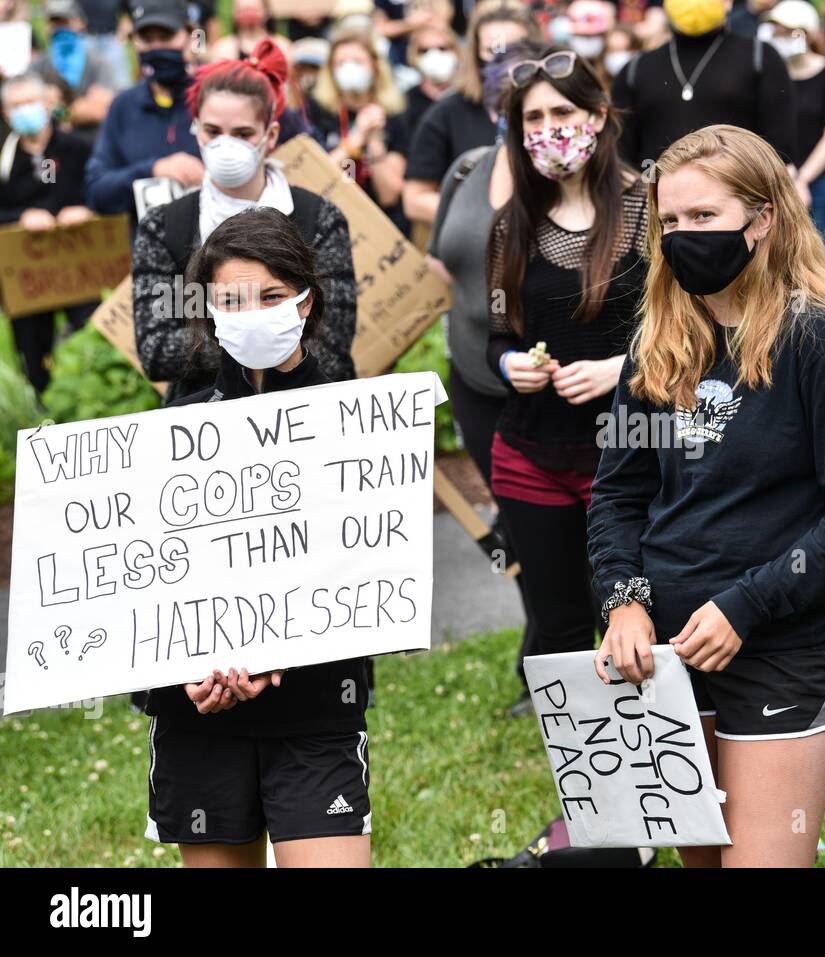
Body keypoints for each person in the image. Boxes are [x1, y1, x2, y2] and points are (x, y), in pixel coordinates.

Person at [587, 124, 825, 868]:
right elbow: (617, 495)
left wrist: (745, 605)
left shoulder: (822, 340)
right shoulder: (658, 340)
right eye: (670, 222)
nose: (683, 235)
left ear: (762, 221)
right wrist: (623, 600)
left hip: (780, 647)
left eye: (704, 218)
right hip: (664, 653)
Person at [144, 207, 371, 868]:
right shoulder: (169, 433)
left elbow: (374, 576)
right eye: (232, 300)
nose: (254, 313)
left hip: (315, 710)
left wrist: (287, 645)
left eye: (271, 296)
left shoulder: (360, 427)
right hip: (199, 711)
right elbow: (148, 580)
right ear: (208, 310)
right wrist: (184, 666)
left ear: (306, 300)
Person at [486, 47, 648, 660]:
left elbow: (687, 333)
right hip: (532, 455)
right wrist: (512, 367)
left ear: (599, 115)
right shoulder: (512, 225)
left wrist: (619, 370)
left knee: (638, 615)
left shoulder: (649, 208)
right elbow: (497, 337)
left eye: (562, 111)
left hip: (634, 452)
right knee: (556, 623)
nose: (548, 127)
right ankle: (577, 752)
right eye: (532, 118)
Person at [132, 39, 358, 402]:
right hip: (203, 425)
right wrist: (264, 330)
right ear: (196, 131)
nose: (226, 145)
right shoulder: (165, 227)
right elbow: (157, 352)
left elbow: (332, 343)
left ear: (270, 135)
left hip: (312, 410)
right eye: (212, 131)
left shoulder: (319, 219)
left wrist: (220, 327)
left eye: (242, 134)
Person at [426, 41, 545, 716]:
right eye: (501, 82)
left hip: (553, 384)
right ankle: (544, 654)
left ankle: (561, 657)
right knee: (515, 528)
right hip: (475, 376)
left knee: (564, 525)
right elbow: (441, 257)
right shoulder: (466, 168)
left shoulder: (569, 175)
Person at [0, 71, 96, 394]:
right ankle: (42, 404)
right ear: (5, 112)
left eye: (30, 102)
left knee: (90, 330)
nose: (24, 110)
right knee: (31, 343)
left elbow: (101, 191)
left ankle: (94, 396)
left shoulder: (77, 148)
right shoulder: (5, 158)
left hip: (78, 263)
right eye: (16, 105)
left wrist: (85, 208)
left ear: (47, 103)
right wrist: (20, 216)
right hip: (28, 272)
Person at [403, 0, 539, 228]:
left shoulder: (555, 110)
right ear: (475, 53)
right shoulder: (447, 112)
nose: (503, 59)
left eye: (515, 49)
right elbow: (415, 200)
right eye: (492, 49)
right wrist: (486, 218)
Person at [612, 0, 796, 168]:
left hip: (738, 191)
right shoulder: (636, 69)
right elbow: (622, 154)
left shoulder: (761, 57)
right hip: (655, 193)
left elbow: (779, 144)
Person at [84, 0, 203, 221]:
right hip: (150, 249)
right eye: (147, 39)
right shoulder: (123, 106)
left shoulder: (215, 95)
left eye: (166, 36)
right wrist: (152, 170)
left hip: (217, 248)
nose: (157, 47)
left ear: (190, 36)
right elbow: (96, 191)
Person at [307, 28, 410, 233]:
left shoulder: (395, 115)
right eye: (341, 63)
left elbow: (389, 195)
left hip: (382, 226)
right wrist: (356, 138)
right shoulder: (318, 110)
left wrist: (373, 141)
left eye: (357, 61)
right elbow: (315, 180)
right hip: (332, 224)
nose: (349, 68)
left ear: (374, 66)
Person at [761, 0, 825, 241]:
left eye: (787, 31)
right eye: (777, 30)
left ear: (807, 34)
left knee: (820, 247)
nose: (780, 37)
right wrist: (786, 176)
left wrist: (802, 179)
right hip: (775, 176)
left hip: (819, 179)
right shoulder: (769, 75)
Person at [32, 0, 116, 143]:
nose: (59, 28)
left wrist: (59, 110)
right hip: (51, 145)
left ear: (80, 23)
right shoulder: (41, 63)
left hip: (90, 140)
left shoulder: (98, 61)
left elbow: (101, 109)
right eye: (55, 23)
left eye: (65, 22)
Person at [209, 0, 293, 63]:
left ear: (267, 12)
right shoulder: (223, 48)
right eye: (243, 10)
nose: (248, 14)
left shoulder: (282, 47)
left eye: (253, 10)